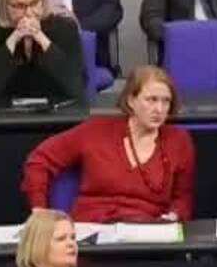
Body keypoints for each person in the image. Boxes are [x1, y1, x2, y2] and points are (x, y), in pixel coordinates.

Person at [22, 65, 195, 223]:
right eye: (151, 100)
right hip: (91, 228)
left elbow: (182, 198)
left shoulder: (179, 141)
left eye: (166, 101)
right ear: (131, 100)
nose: (159, 109)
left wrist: (173, 216)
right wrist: (39, 210)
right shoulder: (95, 130)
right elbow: (40, 160)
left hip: (145, 232)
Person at [0, 0, 88, 107]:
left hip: (57, 111)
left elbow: (76, 86)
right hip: (7, 113)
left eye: (34, 3)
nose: (29, 13)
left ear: (42, 1)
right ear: (5, 7)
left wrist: (42, 39)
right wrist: (13, 40)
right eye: (20, 6)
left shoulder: (65, 29)